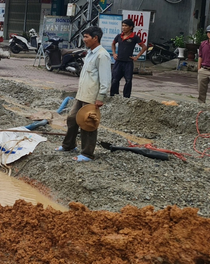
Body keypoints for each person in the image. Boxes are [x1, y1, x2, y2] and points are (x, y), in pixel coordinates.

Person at [56, 26, 112, 162]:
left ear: (95, 38)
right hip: (82, 94)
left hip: (92, 96)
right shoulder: (90, 53)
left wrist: (100, 97)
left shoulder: (102, 55)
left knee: (89, 123)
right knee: (72, 118)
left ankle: (87, 153)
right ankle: (69, 145)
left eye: (86, 37)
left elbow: (105, 79)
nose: (84, 39)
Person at [110, 19, 147, 98]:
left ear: (131, 27)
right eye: (122, 25)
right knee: (114, 80)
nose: (123, 27)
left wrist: (137, 57)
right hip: (118, 62)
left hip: (128, 62)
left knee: (128, 80)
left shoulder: (134, 37)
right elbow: (113, 44)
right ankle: (113, 96)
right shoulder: (119, 36)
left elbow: (144, 47)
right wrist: (114, 53)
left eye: (125, 26)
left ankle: (126, 97)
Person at [197, 25, 210, 103]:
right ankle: (201, 108)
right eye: (209, 32)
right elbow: (200, 56)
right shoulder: (203, 44)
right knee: (201, 91)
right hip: (204, 70)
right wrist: (199, 69)